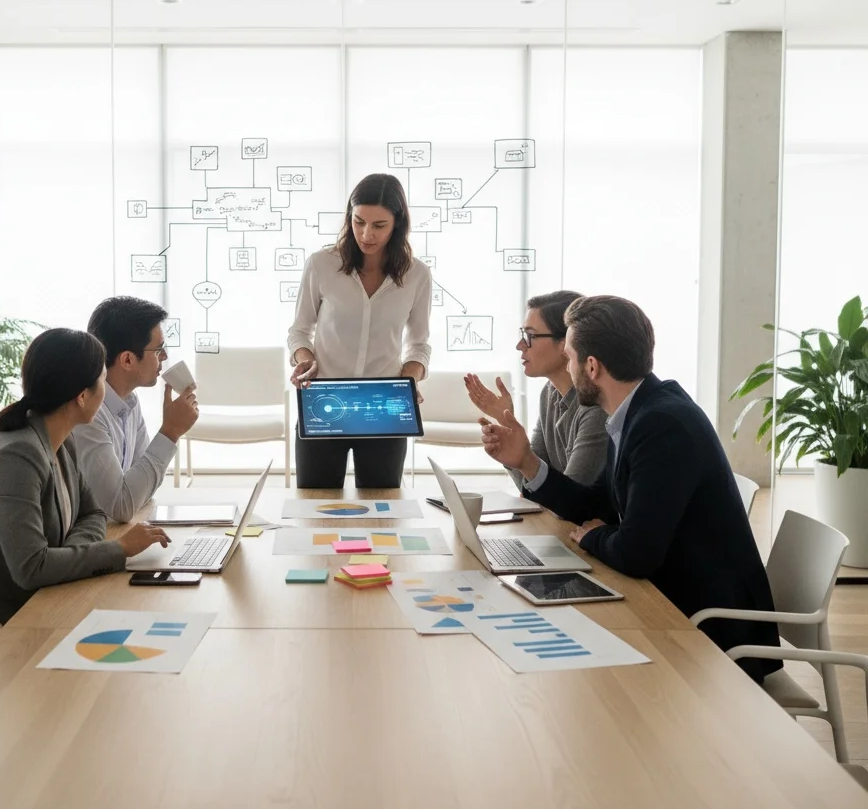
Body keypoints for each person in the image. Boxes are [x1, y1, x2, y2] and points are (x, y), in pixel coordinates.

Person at [479, 294, 782, 682]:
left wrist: (593, 537)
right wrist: (526, 462)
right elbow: (598, 503)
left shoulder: (661, 425)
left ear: (591, 367)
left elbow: (637, 553)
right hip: (674, 601)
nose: (568, 369)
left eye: (570, 358)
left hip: (707, 630)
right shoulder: (636, 411)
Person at [0, 328, 171, 693]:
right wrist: (118, 549)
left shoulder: (59, 437)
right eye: (102, 381)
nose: (106, 389)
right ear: (81, 396)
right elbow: (31, 568)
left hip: (15, 619)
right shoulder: (17, 454)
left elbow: (91, 514)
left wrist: (70, 554)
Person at [287, 172, 431, 488]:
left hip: (383, 407)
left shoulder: (417, 275)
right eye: (358, 221)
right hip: (323, 401)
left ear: (398, 224)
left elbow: (419, 345)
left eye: (379, 225)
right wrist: (305, 357)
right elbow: (299, 331)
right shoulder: (321, 264)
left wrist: (408, 380)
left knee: (383, 510)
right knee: (316, 505)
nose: (366, 234)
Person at [73, 297, 199, 523]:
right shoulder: (88, 414)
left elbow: (141, 488)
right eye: (158, 349)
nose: (165, 356)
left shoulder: (130, 402)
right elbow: (121, 507)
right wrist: (170, 433)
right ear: (128, 360)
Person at [464, 290, 606, 487]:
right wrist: (505, 422)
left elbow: (570, 499)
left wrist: (527, 466)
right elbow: (531, 484)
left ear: (567, 343)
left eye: (530, 335)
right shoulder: (549, 393)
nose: (520, 345)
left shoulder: (597, 407)